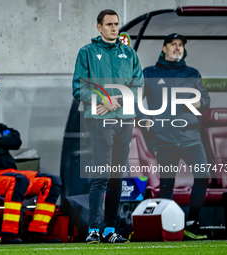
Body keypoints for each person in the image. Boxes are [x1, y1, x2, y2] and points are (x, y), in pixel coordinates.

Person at [72, 9, 144, 244]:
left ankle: (109, 230)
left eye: (117, 24)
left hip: (125, 119)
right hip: (100, 120)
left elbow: (139, 85)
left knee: (116, 177)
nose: (114, 28)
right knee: (101, 175)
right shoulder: (87, 53)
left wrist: (118, 100)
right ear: (99, 27)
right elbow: (78, 88)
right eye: (110, 24)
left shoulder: (129, 54)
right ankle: (93, 229)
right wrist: (103, 98)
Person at [139, 33, 210, 239]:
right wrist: (146, 118)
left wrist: (189, 102)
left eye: (180, 45)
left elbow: (204, 101)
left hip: (190, 137)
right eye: (173, 45)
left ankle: (191, 223)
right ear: (164, 49)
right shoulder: (149, 73)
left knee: (203, 176)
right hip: (164, 138)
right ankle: (168, 228)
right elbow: (136, 100)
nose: (177, 48)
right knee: (167, 183)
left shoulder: (192, 73)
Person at [0, 108, 62, 243]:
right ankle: (8, 232)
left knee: (51, 181)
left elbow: (15, 139)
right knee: (19, 181)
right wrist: (1, 141)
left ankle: (37, 230)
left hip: (12, 173)